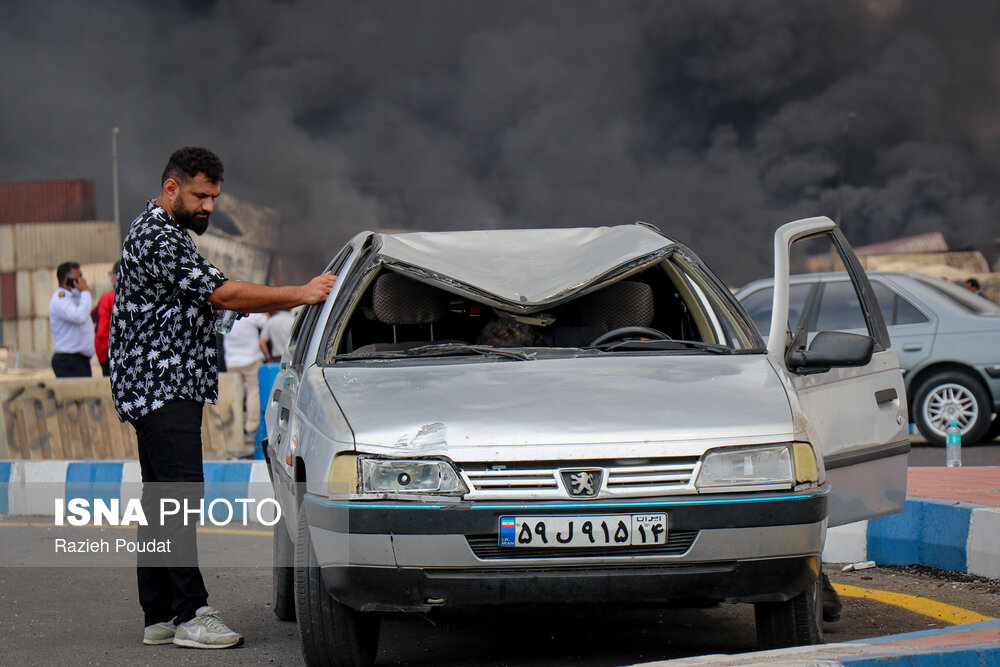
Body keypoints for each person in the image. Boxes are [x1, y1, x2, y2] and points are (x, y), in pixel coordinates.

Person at [109, 146, 336, 650]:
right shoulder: (159, 237)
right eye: (201, 195)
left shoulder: (164, 233)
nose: (209, 206)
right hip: (162, 388)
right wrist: (301, 293)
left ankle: (160, 614)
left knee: (160, 502)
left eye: (214, 196)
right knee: (179, 498)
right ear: (172, 188)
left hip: (158, 387)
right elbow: (225, 294)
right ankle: (192, 613)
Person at [222, 311, 268, 446]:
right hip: (251, 358)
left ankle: (233, 432)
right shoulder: (250, 313)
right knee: (253, 393)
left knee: (234, 397)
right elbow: (266, 321)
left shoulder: (226, 314)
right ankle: (251, 428)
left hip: (231, 361)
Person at [49, 261, 95, 377]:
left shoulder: (73, 297)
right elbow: (79, 316)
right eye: (78, 277)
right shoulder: (60, 299)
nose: (82, 281)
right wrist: (85, 292)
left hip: (79, 360)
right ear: (66, 279)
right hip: (69, 360)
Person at [94, 261, 119, 376]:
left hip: (112, 356)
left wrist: (103, 358)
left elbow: (101, 332)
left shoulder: (108, 299)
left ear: (116, 276)